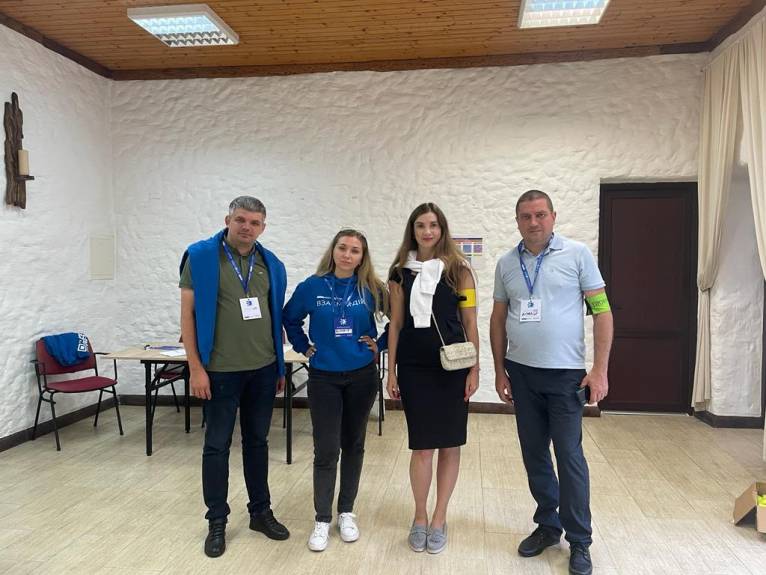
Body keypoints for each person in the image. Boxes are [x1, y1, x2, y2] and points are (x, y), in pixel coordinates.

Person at [489, 190, 613, 575]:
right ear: (517, 221)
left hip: (565, 375)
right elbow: (498, 319)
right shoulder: (507, 263)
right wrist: (499, 370)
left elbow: (602, 312)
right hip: (522, 373)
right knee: (534, 453)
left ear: (553, 217)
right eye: (526, 216)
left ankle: (580, 540)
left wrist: (600, 370)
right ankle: (547, 524)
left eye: (540, 214)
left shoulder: (577, 255)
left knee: (569, 456)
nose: (533, 222)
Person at [179, 196, 290, 558]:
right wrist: (196, 368)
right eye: (241, 219)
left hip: (262, 370)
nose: (247, 227)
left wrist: (278, 367)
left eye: (255, 222)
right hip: (219, 372)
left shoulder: (271, 264)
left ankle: (260, 512)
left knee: (257, 443)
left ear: (263, 227)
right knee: (216, 446)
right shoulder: (200, 257)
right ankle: (216, 521)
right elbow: (187, 316)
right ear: (227, 220)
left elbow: (274, 317)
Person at [283, 229, 387, 552]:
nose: (347, 255)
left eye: (355, 250)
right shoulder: (313, 287)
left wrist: (380, 344)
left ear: (362, 257)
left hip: (362, 376)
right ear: (333, 250)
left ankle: (346, 512)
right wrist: (303, 346)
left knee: (354, 445)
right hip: (324, 378)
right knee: (326, 449)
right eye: (342, 248)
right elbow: (289, 317)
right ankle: (322, 518)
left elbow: (401, 319)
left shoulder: (371, 288)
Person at [386, 202, 479, 555]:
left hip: (453, 367)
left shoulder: (459, 271)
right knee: (422, 445)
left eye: (434, 225)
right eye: (421, 225)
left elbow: (470, 322)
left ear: (442, 230)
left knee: (450, 444)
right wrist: (391, 370)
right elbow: (396, 324)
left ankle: (440, 517)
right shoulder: (399, 273)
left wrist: (475, 369)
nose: (427, 231)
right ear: (412, 230)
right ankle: (420, 516)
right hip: (414, 367)